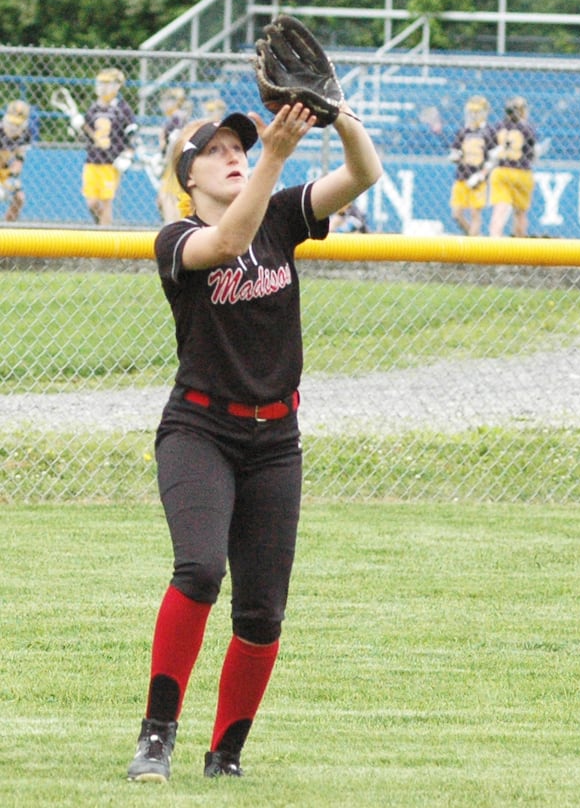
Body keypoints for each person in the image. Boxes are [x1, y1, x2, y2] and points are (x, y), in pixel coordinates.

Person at [125, 94, 382, 784]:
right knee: (201, 570)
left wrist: (338, 112)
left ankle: (226, 755)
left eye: (238, 147)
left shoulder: (280, 211)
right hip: (199, 429)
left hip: (276, 439)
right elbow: (229, 243)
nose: (232, 155)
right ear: (188, 177)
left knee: (263, 610)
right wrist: (273, 154)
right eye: (214, 151)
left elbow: (362, 174)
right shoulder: (175, 240)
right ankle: (157, 734)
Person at [77, 67, 137, 226]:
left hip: (111, 162)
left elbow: (131, 134)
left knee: (106, 202)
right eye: (101, 83)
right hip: (92, 160)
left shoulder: (122, 109)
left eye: (107, 83)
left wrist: (128, 154)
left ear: (117, 86)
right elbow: (85, 136)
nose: (103, 87)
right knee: (92, 204)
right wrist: (77, 126)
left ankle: (105, 239)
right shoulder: (93, 108)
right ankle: (100, 228)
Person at [488, 96, 538, 238]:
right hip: (522, 171)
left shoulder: (498, 127)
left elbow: (491, 149)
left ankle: (494, 240)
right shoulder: (527, 128)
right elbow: (531, 154)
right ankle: (520, 245)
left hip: (502, 169)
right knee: (520, 213)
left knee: (500, 209)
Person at [448, 95, 497, 236]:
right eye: (471, 112)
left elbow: (492, 159)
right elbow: (455, 151)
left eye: (477, 112)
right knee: (456, 214)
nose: (473, 116)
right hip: (462, 176)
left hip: (478, 179)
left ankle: (472, 248)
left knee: (475, 213)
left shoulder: (489, 132)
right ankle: (474, 240)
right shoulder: (464, 131)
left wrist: (481, 175)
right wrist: (456, 156)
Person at [156, 88, 193, 224]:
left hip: (174, 164)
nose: (165, 104)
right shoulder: (176, 118)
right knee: (165, 196)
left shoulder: (177, 118)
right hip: (173, 164)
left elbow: (174, 143)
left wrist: (165, 160)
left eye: (169, 100)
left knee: (169, 197)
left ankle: (172, 226)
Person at [1, 99, 32, 222]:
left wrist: (13, 177)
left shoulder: (25, 134)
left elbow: (19, 159)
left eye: (17, 125)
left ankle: (6, 229)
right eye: (11, 124)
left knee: (19, 198)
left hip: (5, 170)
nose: (14, 128)